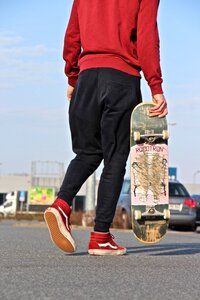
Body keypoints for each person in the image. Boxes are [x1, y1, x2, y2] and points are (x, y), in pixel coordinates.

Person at [44, 0, 168, 256]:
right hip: (121, 80)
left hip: (87, 79)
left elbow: (72, 36)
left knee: (87, 153)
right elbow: (147, 36)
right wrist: (155, 85)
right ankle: (100, 236)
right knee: (114, 159)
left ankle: (61, 204)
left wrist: (73, 77)